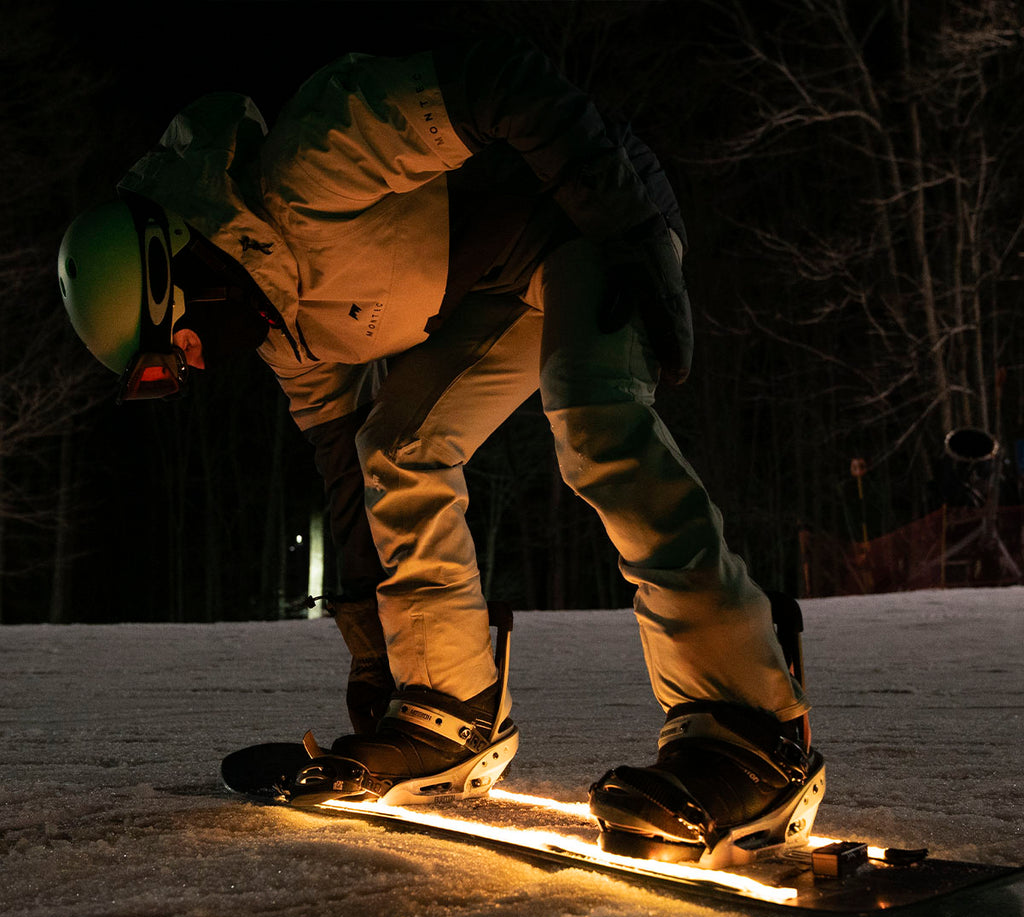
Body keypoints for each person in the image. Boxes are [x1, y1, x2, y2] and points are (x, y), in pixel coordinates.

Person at [58, 35, 823, 864]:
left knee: (594, 417)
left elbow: (507, 81)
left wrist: (630, 228)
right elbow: (345, 473)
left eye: (178, 348)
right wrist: (376, 653)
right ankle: (444, 709)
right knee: (393, 443)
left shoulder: (311, 159)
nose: (196, 366)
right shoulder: (283, 330)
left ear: (174, 268)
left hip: (593, 215)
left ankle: (748, 731)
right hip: (506, 287)